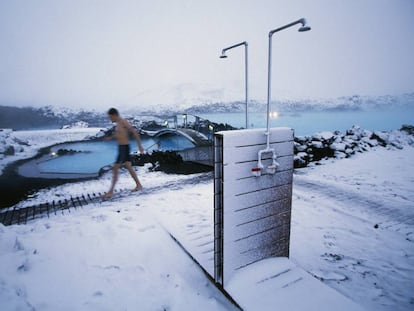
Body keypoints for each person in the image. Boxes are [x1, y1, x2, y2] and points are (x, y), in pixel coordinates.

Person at [102, 108, 145, 198]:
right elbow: (120, 134)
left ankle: (110, 192)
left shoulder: (123, 122)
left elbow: (134, 132)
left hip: (124, 148)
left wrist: (140, 146)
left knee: (115, 168)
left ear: (114, 115)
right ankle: (139, 185)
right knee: (128, 166)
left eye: (110, 117)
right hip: (122, 147)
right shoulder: (118, 124)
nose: (110, 119)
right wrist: (110, 137)